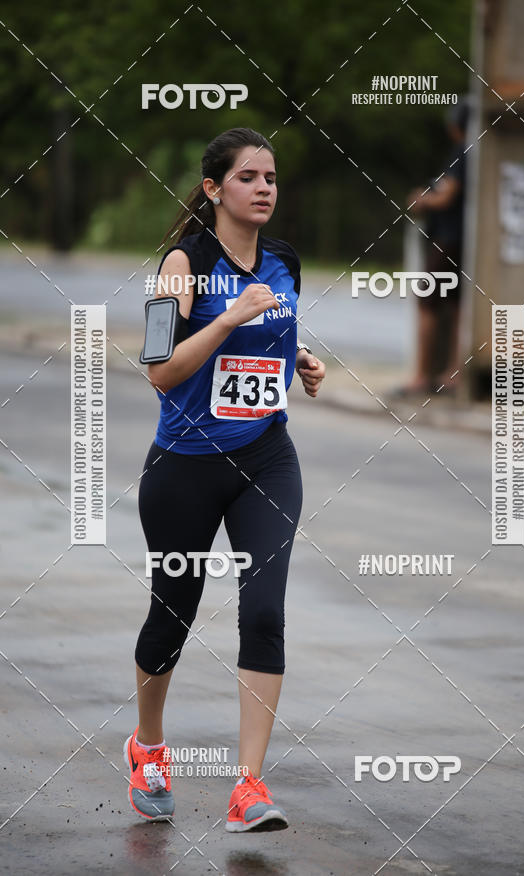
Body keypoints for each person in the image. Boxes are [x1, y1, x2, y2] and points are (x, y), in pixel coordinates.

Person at [123, 127, 326, 831]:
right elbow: (158, 370)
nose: (264, 188)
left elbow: (271, 336)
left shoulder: (286, 262)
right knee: (172, 613)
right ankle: (148, 745)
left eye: (271, 177)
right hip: (184, 466)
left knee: (264, 611)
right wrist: (228, 319)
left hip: (267, 459)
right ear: (213, 189)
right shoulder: (179, 266)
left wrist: (297, 358)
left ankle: (249, 788)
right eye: (248, 177)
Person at [399, 98, 469, 396]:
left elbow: (446, 196)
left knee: (427, 305)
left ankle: (422, 375)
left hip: (447, 240)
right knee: (455, 308)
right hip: (461, 242)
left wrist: (421, 199)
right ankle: (452, 373)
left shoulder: (461, 153)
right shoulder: (474, 152)